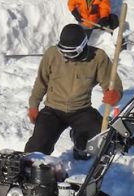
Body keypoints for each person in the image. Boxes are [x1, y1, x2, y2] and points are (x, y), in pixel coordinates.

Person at [25, 23, 123, 160]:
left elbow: (112, 84)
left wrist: (114, 94)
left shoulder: (98, 57)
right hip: (53, 110)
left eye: (71, 52)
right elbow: (41, 82)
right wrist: (33, 106)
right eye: (63, 51)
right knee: (37, 147)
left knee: (100, 140)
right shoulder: (52, 54)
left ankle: (80, 142)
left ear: (82, 46)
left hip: (81, 110)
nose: (67, 56)